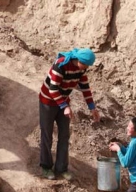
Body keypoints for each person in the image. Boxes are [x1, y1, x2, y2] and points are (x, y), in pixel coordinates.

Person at [39, 48, 100, 181]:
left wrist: (92, 107)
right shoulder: (60, 65)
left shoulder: (81, 69)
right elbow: (53, 89)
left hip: (63, 103)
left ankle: (61, 168)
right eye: (85, 64)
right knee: (47, 134)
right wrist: (64, 106)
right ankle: (46, 167)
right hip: (48, 102)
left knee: (64, 135)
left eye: (88, 66)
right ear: (78, 60)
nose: (86, 68)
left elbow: (85, 87)